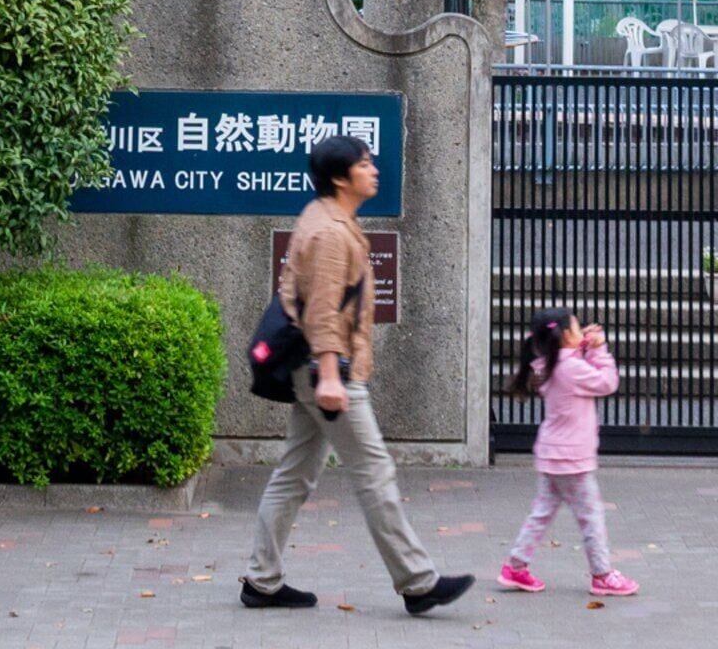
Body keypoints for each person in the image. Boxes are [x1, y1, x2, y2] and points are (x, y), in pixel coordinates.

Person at [241, 132, 473, 617]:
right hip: (327, 371)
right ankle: (417, 582)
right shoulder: (330, 232)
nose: (373, 170)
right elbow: (323, 310)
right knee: (373, 471)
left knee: (294, 474)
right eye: (364, 164)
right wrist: (329, 374)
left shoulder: (327, 217)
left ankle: (262, 581)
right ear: (340, 177)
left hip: (312, 367)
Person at [499, 308, 635, 596]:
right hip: (571, 459)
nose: (581, 330)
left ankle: (516, 566)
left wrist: (582, 347)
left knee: (541, 513)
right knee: (591, 517)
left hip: (552, 454)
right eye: (576, 328)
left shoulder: (550, 364)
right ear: (563, 335)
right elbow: (607, 382)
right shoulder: (570, 368)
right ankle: (602, 574)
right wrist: (599, 350)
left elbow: (570, 366)